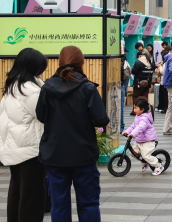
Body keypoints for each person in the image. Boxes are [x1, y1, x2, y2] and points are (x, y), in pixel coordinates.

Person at [36, 46, 109, 221]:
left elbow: (41, 116)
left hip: (55, 154)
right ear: (81, 62)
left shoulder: (47, 88)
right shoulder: (88, 88)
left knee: (59, 204)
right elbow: (101, 120)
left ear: (59, 62)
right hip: (83, 155)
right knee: (89, 203)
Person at [0, 48, 48, 222]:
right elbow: (44, 114)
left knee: (17, 194)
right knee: (32, 199)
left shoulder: (12, 86)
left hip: (15, 148)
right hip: (30, 150)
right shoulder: (30, 90)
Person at [122, 97, 164, 175]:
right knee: (133, 153)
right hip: (140, 140)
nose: (134, 110)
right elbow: (133, 126)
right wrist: (126, 132)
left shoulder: (144, 118)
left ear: (142, 109)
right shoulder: (137, 116)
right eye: (134, 108)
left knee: (146, 156)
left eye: (136, 108)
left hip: (147, 141)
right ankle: (145, 161)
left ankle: (158, 166)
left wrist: (133, 134)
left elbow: (140, 127)